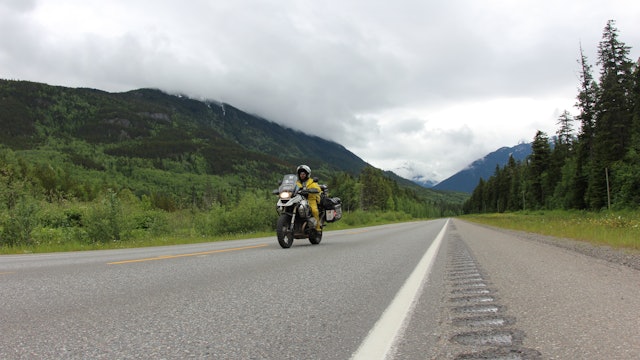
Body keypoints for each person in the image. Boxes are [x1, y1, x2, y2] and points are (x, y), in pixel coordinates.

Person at [295, 165, 322, 233]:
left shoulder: (312, 181)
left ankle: (317, 228)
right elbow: (292, 188)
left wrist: (312, 190)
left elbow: (318, 188)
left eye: (304, 174)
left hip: (310, 199)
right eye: (301, 174)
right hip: (298, 200)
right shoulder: (296, 182)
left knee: (314, 210)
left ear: (307, 174)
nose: (302, 175)